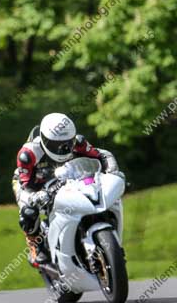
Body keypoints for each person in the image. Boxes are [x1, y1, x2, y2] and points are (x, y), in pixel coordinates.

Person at [12, 113, 121, 266]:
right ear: (43, 139)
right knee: (28, 212)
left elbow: (100, 156)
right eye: (55, 145)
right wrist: (35, 196)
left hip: (66, 178)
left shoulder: (79, 142)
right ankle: (36, 246)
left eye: (66, 144)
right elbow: (25, 185)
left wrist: (112, 169)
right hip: (33, 183)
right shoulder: (28, 154)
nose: (62, 149)